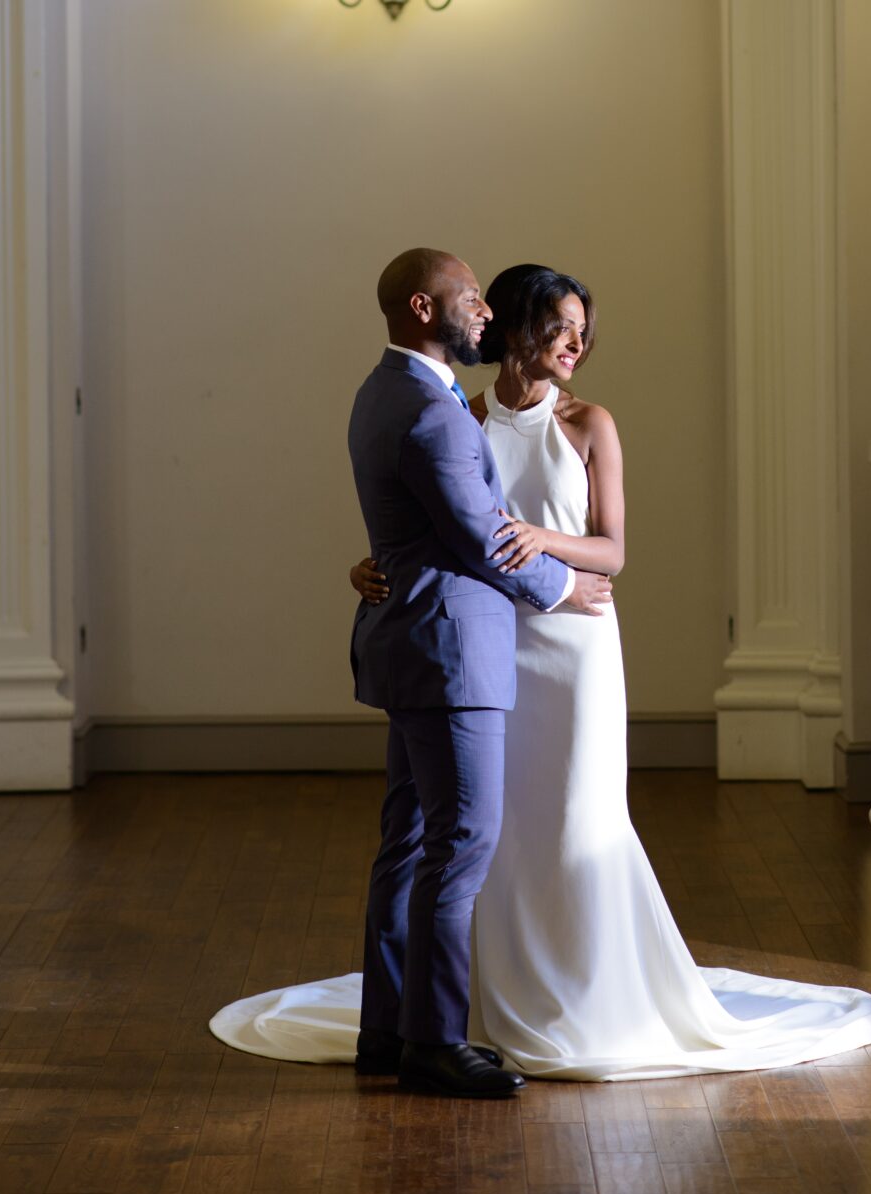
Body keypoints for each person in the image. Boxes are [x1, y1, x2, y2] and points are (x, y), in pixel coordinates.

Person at [210, 263, 871, 1081]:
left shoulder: (588, 423)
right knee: (483, 836)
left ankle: (573, 995)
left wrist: (547, 548)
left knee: (564, 821)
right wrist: (379, 564)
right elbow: (438, 524)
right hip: (486, 643)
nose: (576, 341)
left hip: (573, 649)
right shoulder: (453, 412)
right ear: (516, 327)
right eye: (561, 324)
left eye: (582, 329)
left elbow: (612, 550)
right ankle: (475, 1005)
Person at [225, 249, 611, 1101]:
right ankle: (435, 1044)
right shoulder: (435, 412)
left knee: (405, 843)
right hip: (450, 653)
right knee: (459, 844)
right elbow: (480, 536)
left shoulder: (383, 392)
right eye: (468, 298)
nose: (482, 310)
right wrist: (563, 585)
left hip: (409, 640)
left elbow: (422, 528)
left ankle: (387, 1031)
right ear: (421, 308)